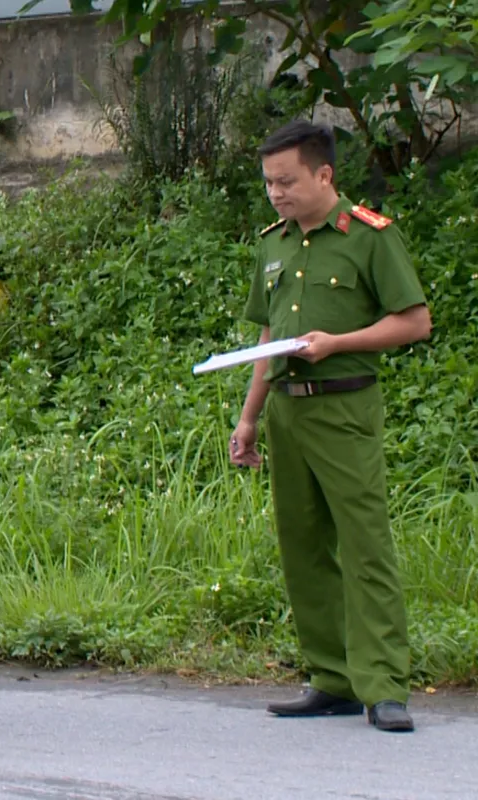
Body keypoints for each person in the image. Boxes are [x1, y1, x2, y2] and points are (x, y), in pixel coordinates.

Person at [230, 121, 432, 733]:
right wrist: (249, 416)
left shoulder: (369, 237)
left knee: (365, 545)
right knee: (303, 545)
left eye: (287, 181)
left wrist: (339, 342)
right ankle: (332, 679)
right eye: (268, 183)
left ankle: (384, 686)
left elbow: (415, 321)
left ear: (324, 175)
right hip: (288, 408)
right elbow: (268, 336)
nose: (276, 194)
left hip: (345, 406)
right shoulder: (274, 243)